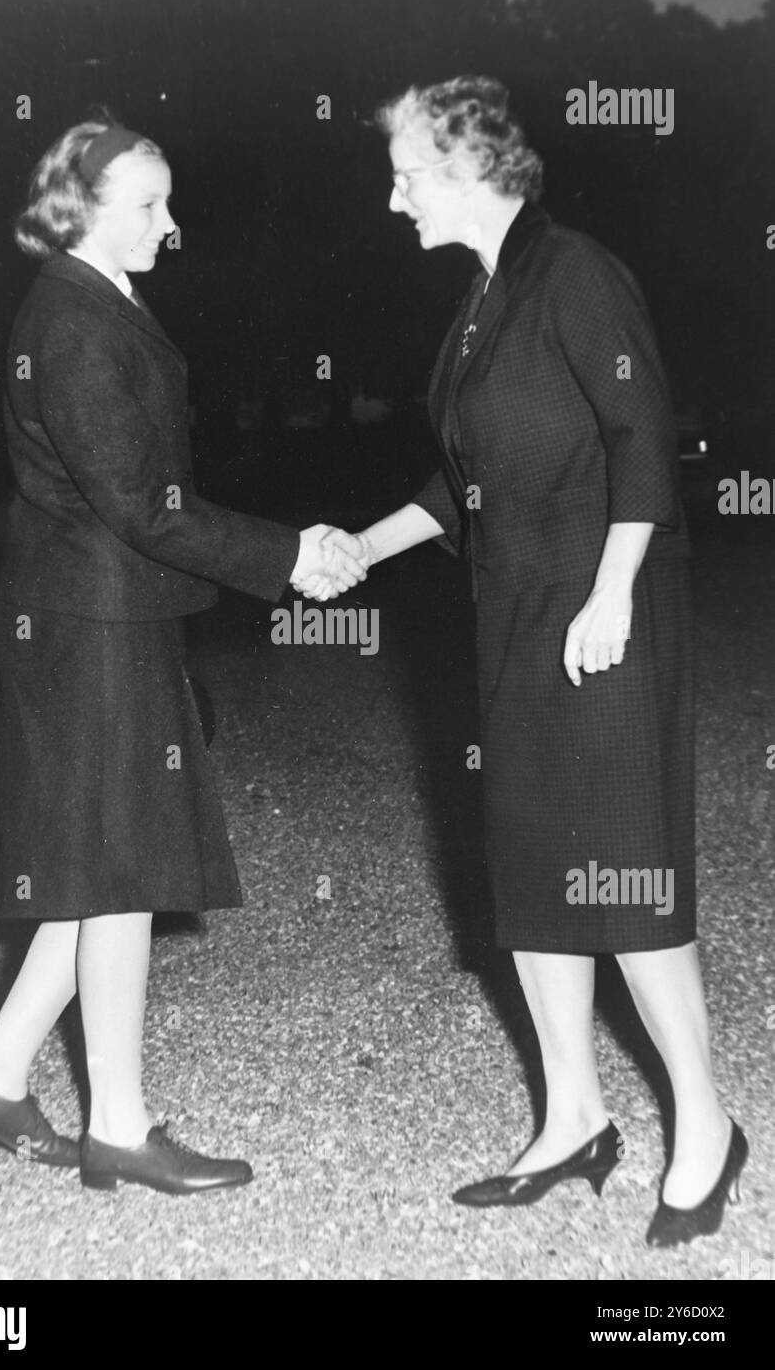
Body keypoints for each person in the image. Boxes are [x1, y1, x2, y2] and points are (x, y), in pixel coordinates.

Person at [325, 75, 746, 1247]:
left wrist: (610, 595)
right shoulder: (479, 303)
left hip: (599, 613)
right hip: (515, 620)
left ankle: (705, 1125)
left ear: (466, 167)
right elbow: (468, 486)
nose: (394, 193)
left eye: (407, 169)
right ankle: (571, 1120)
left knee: (628, 872)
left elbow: (640, 443)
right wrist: (365, 543)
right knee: (537, 873)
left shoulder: (576, 275)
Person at [0, 118, 366, 1197]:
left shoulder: (93, 302)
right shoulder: (73, 323)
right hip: (92, 625)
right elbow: (140, 504)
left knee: (90, 870)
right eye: (147, 206)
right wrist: (286, 553)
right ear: (76, 207)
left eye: (169, 204)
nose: (171, 228)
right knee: (118, 874)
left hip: (94, 615)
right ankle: (117, 1125)